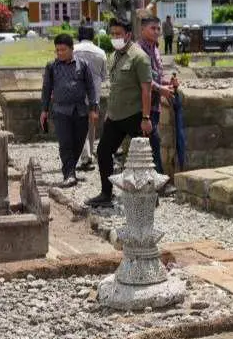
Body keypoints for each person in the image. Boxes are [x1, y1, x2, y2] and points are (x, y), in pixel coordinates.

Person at [86, 19, 153, 208]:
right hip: (115, 116)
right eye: (112, 33)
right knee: (103, 152)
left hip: (134, 115)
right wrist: (109, 112)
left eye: (118, 34)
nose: (115, 37)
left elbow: (146, 89)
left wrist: (146, 118)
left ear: (128, 35)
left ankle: (148, 195)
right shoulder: (114, 56)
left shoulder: (139, 57)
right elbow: (114, 88)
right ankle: (106, 193)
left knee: (143, 157)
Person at [40, 34, 99, 188]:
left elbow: (91, 88)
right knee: (65, 143)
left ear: (72, 49)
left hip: (80, 110)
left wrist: (93, 108)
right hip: (60, 111)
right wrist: (44, 110)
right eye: (57, 50)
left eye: (63, 50)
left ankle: (70, 171)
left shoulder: (83, 65)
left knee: (78, 143)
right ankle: (69, 174)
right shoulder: (51, 67)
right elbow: (46, 89)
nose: (60, 53)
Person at [137, 14, 177, 193]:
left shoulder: (155, 49)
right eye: (152, 28)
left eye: (158, 28)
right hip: (141, 105)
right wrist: (161, 89)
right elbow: (143, 80)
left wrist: (168, 84)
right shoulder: (139, 51)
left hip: (154, 104)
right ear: (142, 29)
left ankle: (150, 183)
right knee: (152, 142)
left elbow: (156, 76)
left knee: (150, 143)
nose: (157, 31)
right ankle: (159, 184)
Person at [72, 25, 109, 171]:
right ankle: (89, 154)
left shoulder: (73, 50)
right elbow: (103, 75)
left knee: (79, 126)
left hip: (77, 93)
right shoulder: (101, 52)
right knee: (91, 126)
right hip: (95, 94)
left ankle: (86, 156)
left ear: (79, 35)